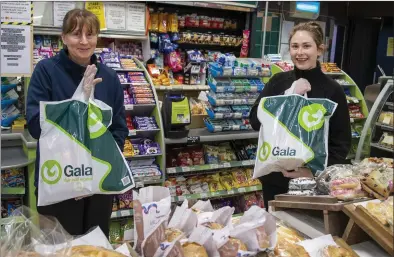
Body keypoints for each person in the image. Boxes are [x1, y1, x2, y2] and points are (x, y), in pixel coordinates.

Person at [26, 9, 128, 236]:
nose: (84, 41)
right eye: (75, 34)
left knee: (95, 246)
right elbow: (35, 126)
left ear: (97, 38)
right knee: (58, 248)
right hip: (59, 182)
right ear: (63, 38)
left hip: (99, 186)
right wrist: (77, 100)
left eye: (90, 35)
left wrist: (93, 172)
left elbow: (119, 129)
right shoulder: (46, 71)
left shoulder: (109, 77)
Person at [249, 21, 351, 208]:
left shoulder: (332, 90)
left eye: (306, 46)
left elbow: (341, 143)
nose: (299, 52)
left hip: (312, 185)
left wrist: (312, 172)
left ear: (319, 50)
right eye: (295, 46)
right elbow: (255, 120)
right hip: (274, 180)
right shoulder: (278, 82)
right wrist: (288, 96)